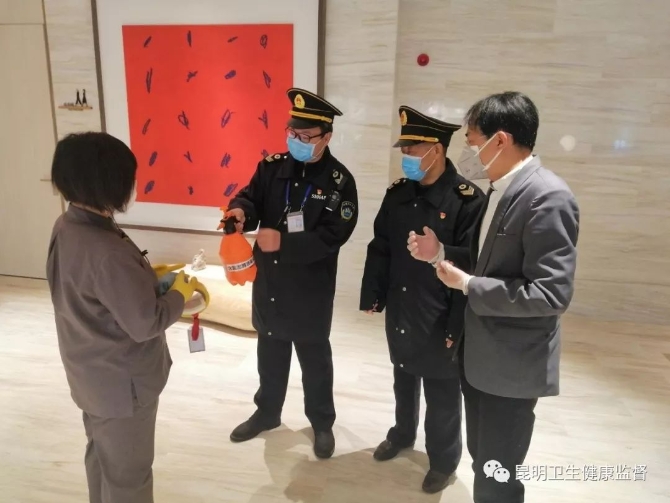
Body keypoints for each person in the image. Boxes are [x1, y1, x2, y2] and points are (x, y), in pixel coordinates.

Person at [408, 91, 580, 503]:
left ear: (500, 140)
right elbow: (489, 263)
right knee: (482, 459)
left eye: (472, 142)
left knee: (498, 476)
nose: (469, 154)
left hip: (511, 367)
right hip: (480, 358)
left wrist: (469, 286)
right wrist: (441, 254)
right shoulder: (499, 190)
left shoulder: (547, 197)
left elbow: (550, 294)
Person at [46, 131, 208, 503]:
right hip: (121, 384)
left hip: (89, 372)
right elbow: (146, 323)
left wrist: (147, 280)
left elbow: (92, 293)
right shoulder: (106, 251)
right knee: (129, 477)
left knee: (101, 457)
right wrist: (180, 294)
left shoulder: (67, 226)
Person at [225, 88, 358, 459]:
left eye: (306, 136)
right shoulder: (272, 167)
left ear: (326, 137)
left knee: (314, 360)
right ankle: (267, 412)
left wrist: (282, 242)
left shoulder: (339, 181)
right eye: (292, 133)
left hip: (310, 287)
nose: (296, 141)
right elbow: (250, 198)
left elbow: (334, 236)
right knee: (270, 351)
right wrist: (240, 212)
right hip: (270, 280)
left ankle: (322, 423)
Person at [360, 106, 484, 493]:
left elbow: (474, 263)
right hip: (401, 303)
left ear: (436, 150)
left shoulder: (467, 200)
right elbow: (381, 245)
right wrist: (373, 292)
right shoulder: (399, 193)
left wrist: (455, 326)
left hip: (440, 311)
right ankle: (402, 433)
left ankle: (443, 460)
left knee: (442, 390)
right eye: (404, 149)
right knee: (403, 373)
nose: (406, 155)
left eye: (412, 149)